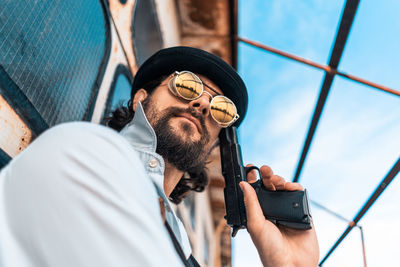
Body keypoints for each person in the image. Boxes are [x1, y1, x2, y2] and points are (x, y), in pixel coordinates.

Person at [0, 46, 318, 266]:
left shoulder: (180, 239)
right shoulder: (85, 149)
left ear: (217, 141)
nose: (204, 105)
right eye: (187, 86)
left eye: (221, 109)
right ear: (141, 98)